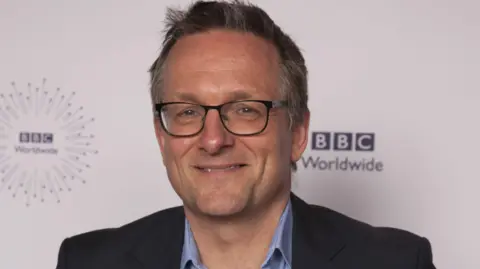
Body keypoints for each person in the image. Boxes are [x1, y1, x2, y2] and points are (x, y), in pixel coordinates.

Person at [55, 1, 436, 268]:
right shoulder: (88, 262)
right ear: (161, 136)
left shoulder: (396, 262)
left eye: (245, 110)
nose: (213, 140)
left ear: (299, 132)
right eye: (187, 112)